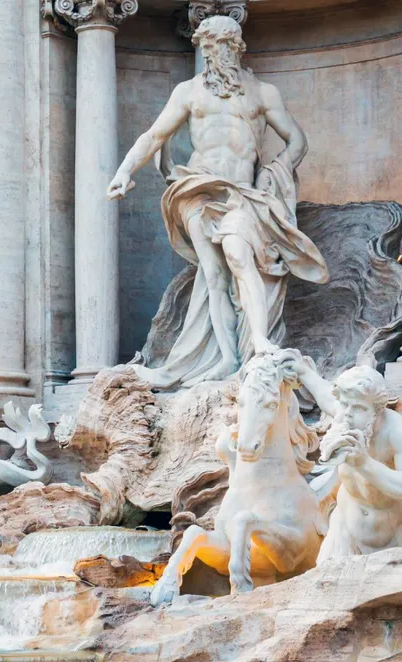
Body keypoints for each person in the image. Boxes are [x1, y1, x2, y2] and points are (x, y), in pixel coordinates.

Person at [108, 15, 328, 388]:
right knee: (213, 273)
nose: (214, 54)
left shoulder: (262, 93)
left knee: (239, 255)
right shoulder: (189, 92)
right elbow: (154, 136)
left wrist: (273, 172)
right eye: (208, 47)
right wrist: (124, 171)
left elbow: (297, 141)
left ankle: (259, 343)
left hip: (241, 192)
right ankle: (227, 357)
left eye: (222, 46)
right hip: (197, 188)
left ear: (237, 47)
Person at [287, 355, 402, 561]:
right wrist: (302, 370)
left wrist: (364, 463)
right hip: (345, 533)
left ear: (378, 410)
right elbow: (324, 394)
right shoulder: (347, 413)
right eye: (345, 404)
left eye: (358, 408)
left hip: (398, 537)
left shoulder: (399, 433)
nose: (347, 413)